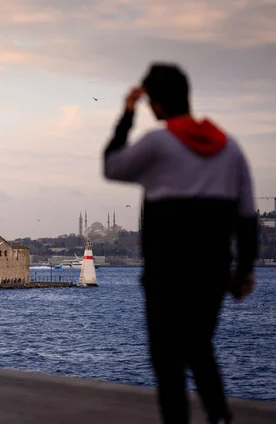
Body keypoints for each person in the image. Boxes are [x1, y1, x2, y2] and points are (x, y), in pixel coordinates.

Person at [103, 63, 258, 424]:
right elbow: (248, 217)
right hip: (213, 272)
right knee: (199, 346)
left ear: (154, 104)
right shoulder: (231, 149)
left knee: (168, 359)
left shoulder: (158, 144)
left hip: (166, 273)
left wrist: (126, 115)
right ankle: (220, 416)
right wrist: (246, 269)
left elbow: (112, 166)